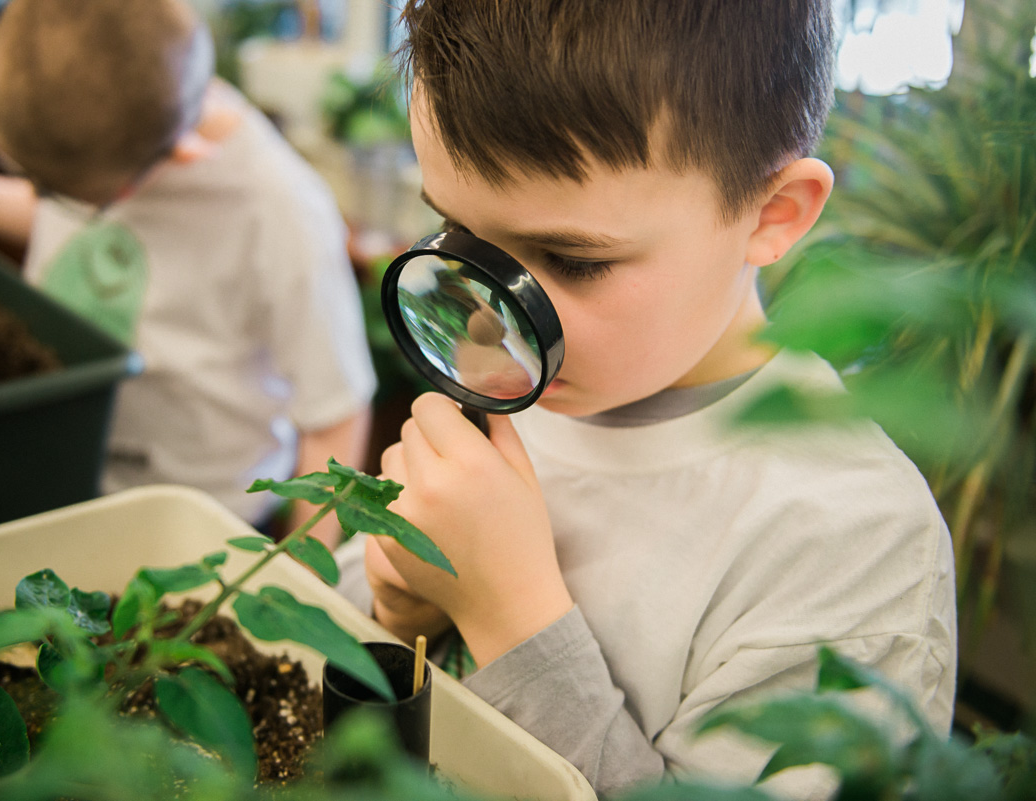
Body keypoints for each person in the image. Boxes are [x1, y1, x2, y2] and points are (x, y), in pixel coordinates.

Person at [334, 1, 956, 797]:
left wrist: (509, 614)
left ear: (773, 215)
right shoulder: (513, 384)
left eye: (571, 259)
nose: (493, 323)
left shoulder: (854, 546)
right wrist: (396, 612)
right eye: (458, 235)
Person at [0, 0, 376, 548]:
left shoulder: (280, 211)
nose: (47, 200)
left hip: (205, 520)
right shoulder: (117, 139)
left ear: (184, 155)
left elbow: (336, 414)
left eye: (53, 191)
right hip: (74, 473)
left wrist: (299, 566)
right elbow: (78, 226)